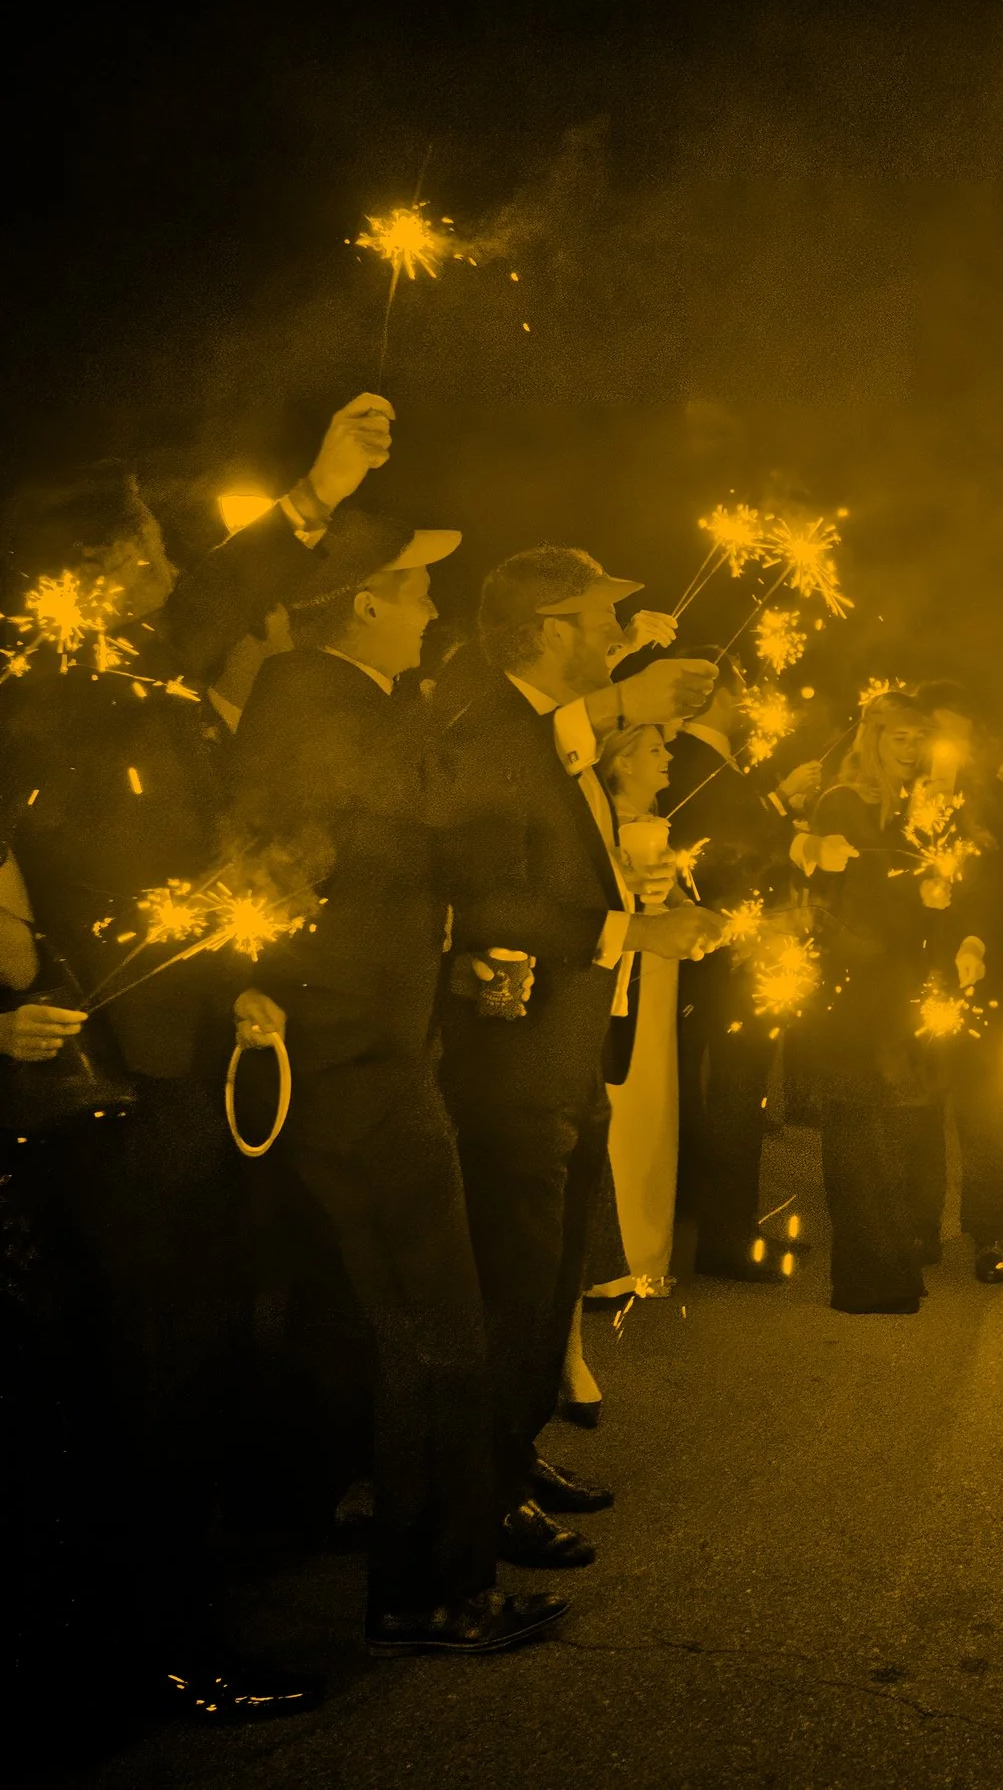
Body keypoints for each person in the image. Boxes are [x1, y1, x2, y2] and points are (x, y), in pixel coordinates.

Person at [0, 396, 392, 1719]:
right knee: (145, 1372)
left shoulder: (130, 676)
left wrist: (249, 993)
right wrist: (7, 1007)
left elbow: (199, 844)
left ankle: (150, 1628)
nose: (171, 562)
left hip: (183, 1063)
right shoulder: (40, 691)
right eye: (149, 546)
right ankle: (154, 1648)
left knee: (190, 1353)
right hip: (103, 1084)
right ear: (92, 572)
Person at [224, 512, 564, 1656]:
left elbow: (376, 865)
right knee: (439, 1326)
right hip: (357, 1058)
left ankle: (364, 1534)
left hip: (359, 1041)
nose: (431, 609)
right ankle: (433, 1589)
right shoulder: (328, 700)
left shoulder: (329, 705)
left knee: (391, 1318)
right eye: (417, 589)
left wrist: (456, 948)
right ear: (365, 600)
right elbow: (429, 828)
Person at [433, 547, 724, 1570]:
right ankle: (480, 1489)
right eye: (602, 618)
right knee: (510, 1283)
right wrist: (624, 938)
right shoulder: (487, 729)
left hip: (565, 1053)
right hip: (511, 1063)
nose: (615, 633)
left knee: (551, 1278)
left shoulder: (553, 739)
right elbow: (487, 901)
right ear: (549, 628)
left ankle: (513, 1452)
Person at [801, 691, 983, 1314]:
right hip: (853, 988)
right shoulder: (841, 802)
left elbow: (944, 882)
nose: (909, 750)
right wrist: (915, 896)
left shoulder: (922, 806)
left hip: (904, 983)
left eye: (917, 739)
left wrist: (949, 908)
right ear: (872, 739)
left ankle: (895, 1261)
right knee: (857, 1127)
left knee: (894, 1128)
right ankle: (867, 1277)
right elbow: (830, 895)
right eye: (898, 738)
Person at [664, 675, 819, 1285]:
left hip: (736, 950)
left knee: (733, 1093)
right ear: (720, 695)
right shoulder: (697, 762)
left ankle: (724, 1222)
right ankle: (726, 1238)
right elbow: (721, 854)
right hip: (733, 957)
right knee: (735, 1093)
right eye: (740, 693)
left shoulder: (716, 762)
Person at [919, 680, 1003, 1286]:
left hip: (989, 972)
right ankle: (917, 1228)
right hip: (914, 972)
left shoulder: (995, 801)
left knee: (989, 1109)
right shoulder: (899, 798)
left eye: (955, 734)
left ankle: (986, 1228)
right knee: (914, 1105)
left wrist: (979, 938)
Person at [583, 723, 687, 1302]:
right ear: (620, 764)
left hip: (659, 985)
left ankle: (648, 1252)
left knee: (653, 1113)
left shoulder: (660, 829)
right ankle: (618, 1255)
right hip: (622, 982)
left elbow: (674, 902)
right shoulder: (599, 827)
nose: (668, 756)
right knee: (620, 1113)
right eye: (654, 749)